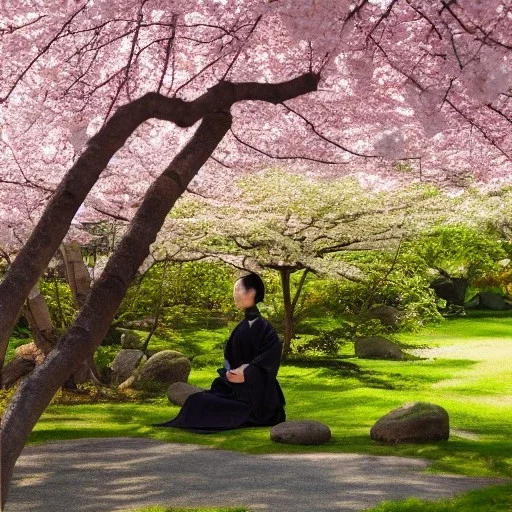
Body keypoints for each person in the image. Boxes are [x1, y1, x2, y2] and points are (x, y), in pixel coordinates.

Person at [153, 273, 286, 432]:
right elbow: (230, 358)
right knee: (196, 399)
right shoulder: (242, 326)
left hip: (256, 397)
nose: (234, 294)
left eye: (238, 290)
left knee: (206, 403)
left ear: (252, 293)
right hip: (234, 388)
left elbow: (269, 358)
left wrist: (247, 372)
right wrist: (229, 373)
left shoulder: (265, 328)